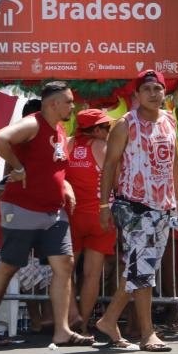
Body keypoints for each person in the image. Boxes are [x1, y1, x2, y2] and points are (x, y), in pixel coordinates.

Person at [0, 81, 93, 348]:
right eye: (69, 102)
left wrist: (66, 185)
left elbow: (53, 165)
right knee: (9, 266)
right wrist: (18, 167)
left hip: (53, 212)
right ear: (53, 104)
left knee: (65, 265)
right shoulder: (33, 123)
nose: (72, 107)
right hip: (23, 209)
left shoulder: (60, 128)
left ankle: (62, 331)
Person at [95, 70, 178, 352]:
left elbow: (174, 163)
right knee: (143, 269)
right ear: (136, 95)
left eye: (157, 88)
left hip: (163, 207)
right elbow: (109, 166)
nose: (153, 93)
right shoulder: (125, 125)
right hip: (134, 206)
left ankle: (109, 320)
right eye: (147, 89)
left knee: (141, 269)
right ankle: (148, 333)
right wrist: (104, 205)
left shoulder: (170, 120)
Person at [66, 109, 116, 336]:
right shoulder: (102, 147)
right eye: (106, 127)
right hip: (100, 216)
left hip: (71, 216)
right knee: (91, 274)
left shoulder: (66, 144)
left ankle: (69, 320)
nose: (109, 131)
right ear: (96, 130)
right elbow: (116, 180)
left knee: (64, 272)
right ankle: (83, 325)